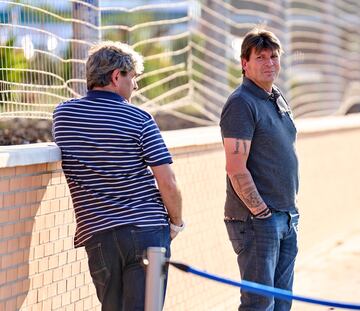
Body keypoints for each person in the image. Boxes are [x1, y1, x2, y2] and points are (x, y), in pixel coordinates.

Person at [53, 41, 184, 311]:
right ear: (116, 77)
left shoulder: (63, 115)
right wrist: (176, 223)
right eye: (133, 78)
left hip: (98, 235)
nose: (135, 86)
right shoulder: (139, 118)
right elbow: (167, 181)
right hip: (148, 233)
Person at [220, 28, 299, 311]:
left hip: (286, 216)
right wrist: (262, 214)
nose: (269, 63)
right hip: (257, 221)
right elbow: (235, 166)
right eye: (261, 57)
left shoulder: (274, 95)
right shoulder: (242, 102)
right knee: (258, 304)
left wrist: (285, 213)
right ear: (244, 63)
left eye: (274, 57)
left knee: (281, 302)